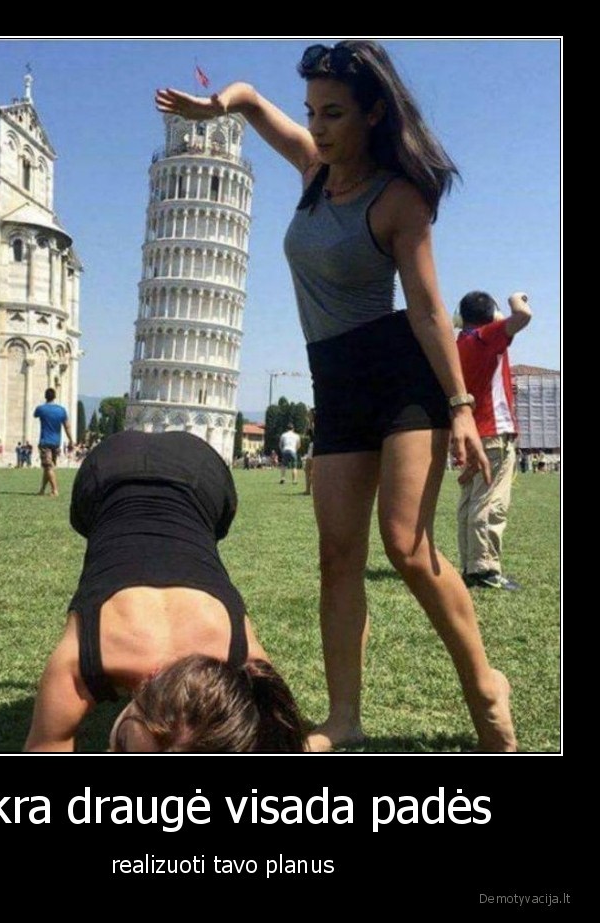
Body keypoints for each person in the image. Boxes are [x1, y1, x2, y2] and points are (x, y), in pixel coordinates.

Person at [156, 40, 517, 753]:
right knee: (337, 555)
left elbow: (427, 309)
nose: (316, 127)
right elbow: (251, 101)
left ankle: (484, 685)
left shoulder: (398, 198)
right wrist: (216, 105)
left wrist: (459, 407)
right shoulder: (314, 169)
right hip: (337, 378)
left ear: (372, 114)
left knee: (406, 546)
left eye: (333, 113)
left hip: (401, 375)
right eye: (311, 111)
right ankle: (344, 716)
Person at [24, 430, 304, 752]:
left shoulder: (244, 660)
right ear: (148, 681)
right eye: (121, 745)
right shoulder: (79, 663)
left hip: (198, 468)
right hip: (112, 473)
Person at [456, 291, 532, 591]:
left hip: (471, 434)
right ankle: (484, 568)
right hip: (493, 434)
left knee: (470, 502)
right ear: (492, 316)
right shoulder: (488, 336)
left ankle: (470, 565)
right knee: (491, 503)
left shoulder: (458, 344)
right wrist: (516, 298)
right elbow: (523, 315)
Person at [33, 387, 74, 497]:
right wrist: (71, 440)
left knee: (48, 467)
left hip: (45, 441)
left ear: (45, 396)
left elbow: (35, 415)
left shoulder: (41, 409)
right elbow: (67, 426)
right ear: (55, 397)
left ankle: (55, 490)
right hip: (56, 442)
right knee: (48, 467)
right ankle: (42, 490)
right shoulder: (61, 410)